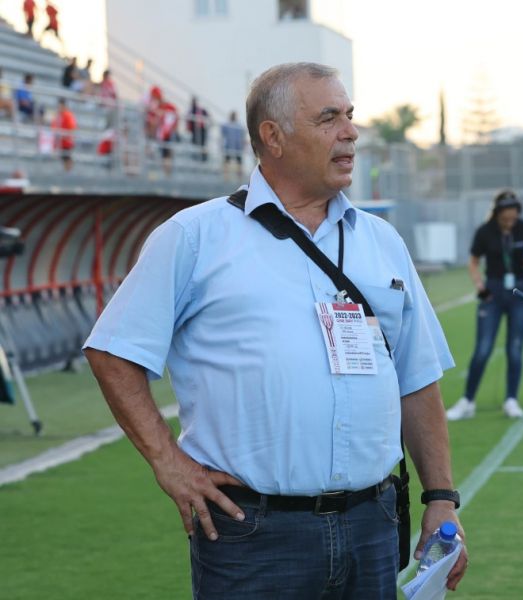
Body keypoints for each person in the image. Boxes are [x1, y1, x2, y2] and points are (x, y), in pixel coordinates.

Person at [83, 62, 468, 598]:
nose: (351, 132)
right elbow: (113, 351)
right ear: (273, 136)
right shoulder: (195, 236)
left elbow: (417, 377)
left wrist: (441, 498)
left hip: (373, 525)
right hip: (254, 534)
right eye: (329, 118)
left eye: (350, 115)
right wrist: (169, 464)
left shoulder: (381, 241)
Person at [445, 189, 523, 421]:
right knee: (483, 349)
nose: (510, 220)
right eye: (506, 216)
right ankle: (467, 401)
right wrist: (479, 285)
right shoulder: (485, 231)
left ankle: (511, 400)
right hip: (492, 292)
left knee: (515, 348)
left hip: (520, 292)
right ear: (498, 213)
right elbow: (473, 261)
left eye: (513, 215)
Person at [52, 97, 76, 172]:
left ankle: (68, 171)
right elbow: (54, 126)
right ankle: (67, 171)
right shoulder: (58, 115)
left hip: (66, 142)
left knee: (66, 158)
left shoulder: (68, 115)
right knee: (63, 158)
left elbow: (71, 128)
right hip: (60, 141)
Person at [220, 109, 245, 178]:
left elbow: (242, 136)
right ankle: (226, 176)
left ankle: (239, 176)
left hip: (237, 147)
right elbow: (222, 132)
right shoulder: (227, 125)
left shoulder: (239, 126)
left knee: (239, 162)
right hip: (229, 146)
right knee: (227, 161)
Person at [185, 96, 209, 161]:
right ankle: (195, 157)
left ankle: (204, 158)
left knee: (203, 145)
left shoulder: (201, 110)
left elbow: (207, 116)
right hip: (194, 131)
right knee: (195, 144)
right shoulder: (191, 110)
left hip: (201, 130)